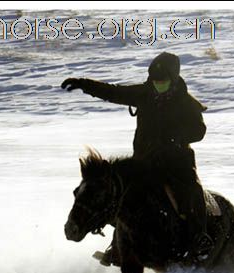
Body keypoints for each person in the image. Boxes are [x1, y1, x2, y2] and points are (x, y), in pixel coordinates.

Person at [61, 52, 213, 262]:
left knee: (192, 189)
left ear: (173, 79)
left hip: (176, 162)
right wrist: (83, 84)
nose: (158, 85)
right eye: (155, 81)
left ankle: (199, 237)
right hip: (144, 162)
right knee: (120, 194)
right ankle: (118, 245)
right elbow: (113, 92)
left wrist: (175, 138)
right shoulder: (144, 93)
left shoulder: (186, 103)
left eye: (163, 81)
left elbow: (199, 130)